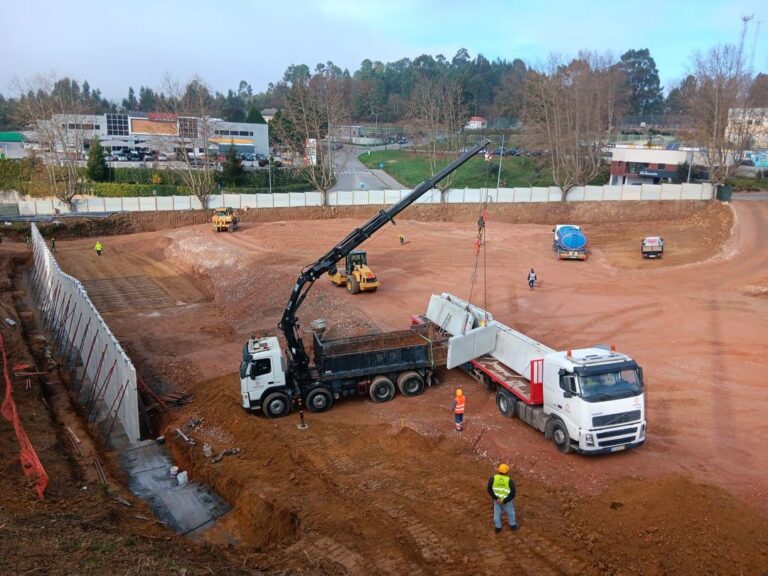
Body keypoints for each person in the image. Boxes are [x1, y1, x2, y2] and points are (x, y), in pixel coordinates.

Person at [487, 463, 518, 533]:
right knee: (511, 513)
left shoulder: (493, 479)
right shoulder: (510, 481)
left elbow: (489, 489)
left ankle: (498, 528)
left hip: (496, 501)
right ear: (507, 472)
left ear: (498, 471)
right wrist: (504, 500)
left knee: (497, 514)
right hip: (507, 501)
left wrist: (496, 498)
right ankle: (513, 525)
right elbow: (513, 494)